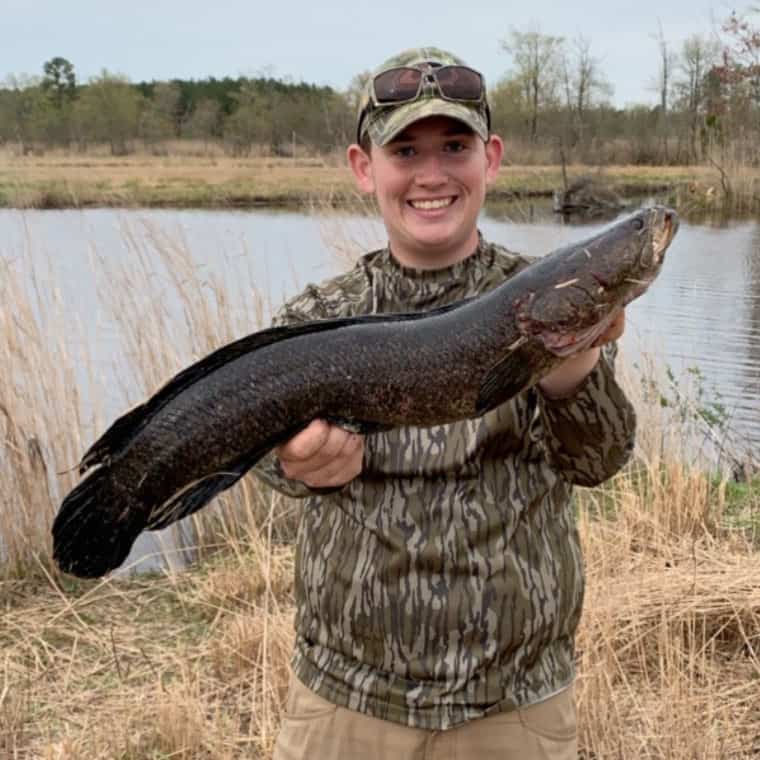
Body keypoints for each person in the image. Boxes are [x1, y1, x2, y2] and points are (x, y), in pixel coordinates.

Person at [254, 46, 636, 760]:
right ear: (365, 167)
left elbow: (600, 461)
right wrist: (296, 464)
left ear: (490, 159)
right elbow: (258, 458)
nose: (431, 174)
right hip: (346, 698)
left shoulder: (555, 290)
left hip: (515, 703)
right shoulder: (319, 316)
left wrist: (571, 365)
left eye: (454, 146)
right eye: (405, 150)